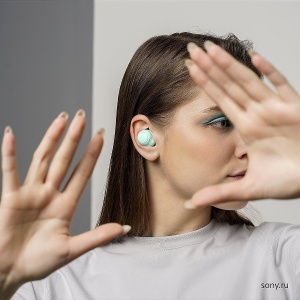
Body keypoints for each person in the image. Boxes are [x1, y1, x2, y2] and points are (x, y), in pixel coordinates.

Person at [0, 32, 299, 300]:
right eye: (221, 122)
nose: (249, 147)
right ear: (147, 138)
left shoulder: (281, 259)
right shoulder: (53, 283)